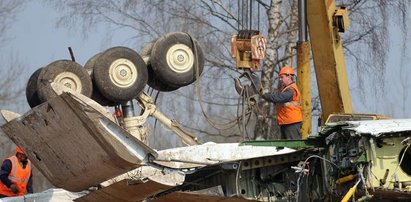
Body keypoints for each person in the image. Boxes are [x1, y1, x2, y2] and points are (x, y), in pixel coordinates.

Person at [261, 65, 303, 139]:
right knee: (287, 148)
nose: (280, 79)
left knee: (293, 147)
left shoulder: (291, 90)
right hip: (286, 122)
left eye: (282, 77)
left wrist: (264, 95)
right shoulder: (286, 90)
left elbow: (278, 98)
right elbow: (278, 99)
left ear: (288, 76)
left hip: (291, 123)